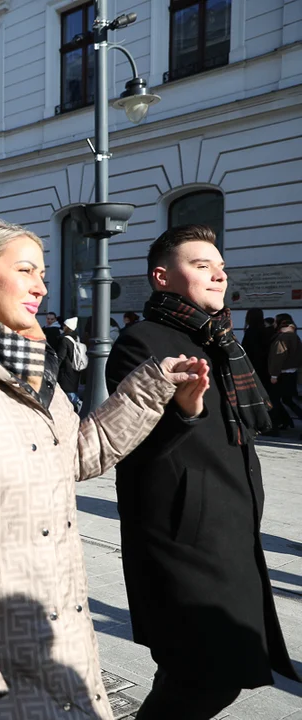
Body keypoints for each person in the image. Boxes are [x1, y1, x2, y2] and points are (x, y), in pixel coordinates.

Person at [0, 218, 209, 720]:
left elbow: (74, 454)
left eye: (43, 273)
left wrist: (153, 387)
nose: (41, 286)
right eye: (26, 269)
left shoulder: (31, 369)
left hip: (55, 629)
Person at [106, 224, 298, 719]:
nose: (218, 274)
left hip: (230, 527)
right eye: (200, 264)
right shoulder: (139, 340)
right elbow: (129, 440)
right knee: (210, 678)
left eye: (220, 265)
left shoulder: (219, 339)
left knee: (190, 668)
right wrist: (186, 411)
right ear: (162, 277)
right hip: (182, 534)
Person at [268, 313, 302, 430]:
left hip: (282, 374)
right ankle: (286, 421)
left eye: (275, 321)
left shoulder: (282, 338)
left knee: (276, 400)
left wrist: (274, 375)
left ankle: (277, 423)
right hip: (291, 373)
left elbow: (277, 357)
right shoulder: (294, 336)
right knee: (288, 400)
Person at [57, 316, 88, 411]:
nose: (63, 327)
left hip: (66, 370)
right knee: (70, 391)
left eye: (64, 325)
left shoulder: (65, 340)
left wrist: (54, 366)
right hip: (75, 370)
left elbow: (61, 356)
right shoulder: (76, 338)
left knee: (68, 392)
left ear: (68, 327)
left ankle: (80, 405)